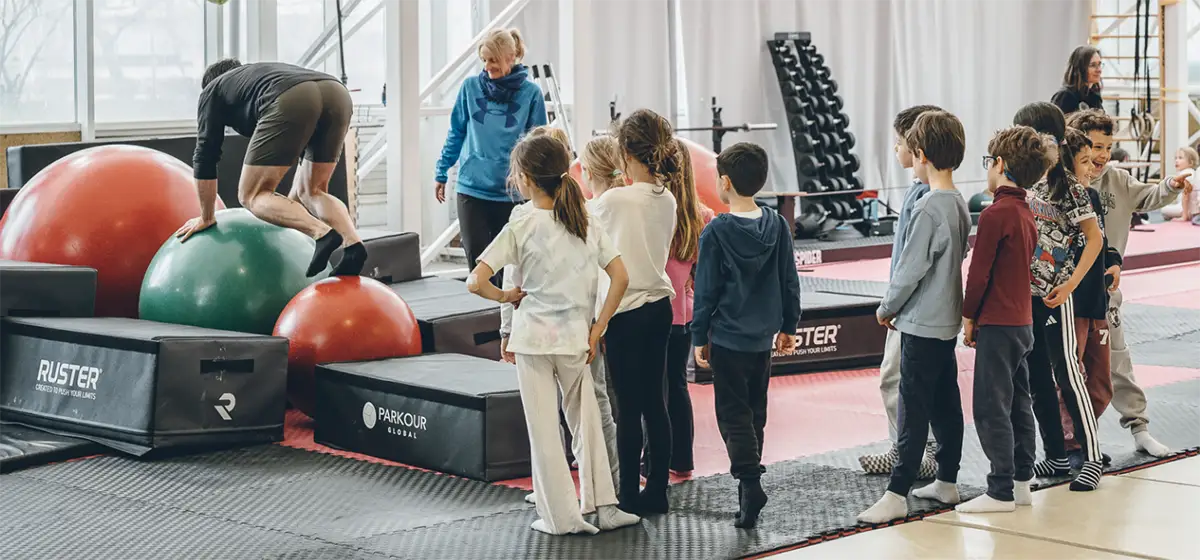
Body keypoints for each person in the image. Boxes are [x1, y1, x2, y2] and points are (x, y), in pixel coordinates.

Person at [466, 134, 640, 536]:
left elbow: (477, 282)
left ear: (525, 178)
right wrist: (599, 326)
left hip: (533, 342)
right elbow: (620, 276)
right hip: (575, 339)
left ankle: (561, 518)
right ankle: (605, 507)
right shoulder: (585, 217)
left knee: (544, 431)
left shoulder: (523, 221)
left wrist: (506, 296)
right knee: (588, 424)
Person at [858, 111, 971, 524]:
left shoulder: (928, 208)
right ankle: (947, 479)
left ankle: (897, 491)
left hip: (920, 322)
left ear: (920, 155)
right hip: (945, 322)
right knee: (945, 403)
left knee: (913, 407)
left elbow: (909, 269)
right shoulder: (959, 202)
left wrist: (886, 307)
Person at [1066, 109, 1193, 458]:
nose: (1102, 154)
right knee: (1067, 367)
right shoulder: (1064, 183)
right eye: (1094, 146)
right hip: (1067, 296)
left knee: (1117, 362)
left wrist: (1171, 185)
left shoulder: (1118, 180)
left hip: (1105, 293)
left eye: (1108, 146)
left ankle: (1139, 427)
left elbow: (1149, 198)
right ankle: (1070, 440)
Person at [692, 142, 800, 529]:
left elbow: (705, 290)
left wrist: (698, 334)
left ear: (724, 182)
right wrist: (789, 325)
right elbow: (790, 280)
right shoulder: (777, 225)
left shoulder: (717, 232)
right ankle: (746, 495)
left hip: (728, 339)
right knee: (756, 414)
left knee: (733, 415)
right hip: (761, 341)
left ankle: (750, 483)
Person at [179, 59, 367, 277]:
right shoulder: (261, 77)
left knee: (251, 195)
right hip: (337, 93)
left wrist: (206, 216)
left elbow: (205, 154)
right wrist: (287, 208)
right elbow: (301, 142)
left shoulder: (213, 90)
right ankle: (353, 247)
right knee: (312, 190)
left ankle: (322, 233)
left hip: (293, 98)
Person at [1012, 102, 1105, 491]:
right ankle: (1055, 454)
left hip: (1056, 297)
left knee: (1068, 371)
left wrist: (1069, 284)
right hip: (1026, 295)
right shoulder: (1025, 181)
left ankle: (1093, 457)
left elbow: (1095, 239)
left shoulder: (1065, 184)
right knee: (1036, 376)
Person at [591, 109, 678, 515]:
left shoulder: (614, 200)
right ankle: (657, 489)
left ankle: (626, 493)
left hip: (624, 313)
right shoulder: (668, 198)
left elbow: (586, 232)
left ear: (626, 154)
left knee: (627, 408)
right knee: (654, 404)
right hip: (659, 308)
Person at [955, 126, 1047, 514]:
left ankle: (999, 489)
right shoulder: (1026, 213)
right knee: (1019, 402)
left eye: (988, 163)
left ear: (1000, 165)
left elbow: (979, 274)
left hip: (998, 321)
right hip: (1022, 322)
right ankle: (1022, 480)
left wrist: (968, 316)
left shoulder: (995, 213)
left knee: (991, 406)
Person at [858, 104, 943, 480]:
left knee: (896, 377)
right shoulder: (916, 193)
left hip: (913, 308)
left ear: (917, 147)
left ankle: (914, 449)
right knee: (902, 379)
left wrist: (892, 303)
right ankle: (909, 446)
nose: (896, 150)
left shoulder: (931, 199)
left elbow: (916, 261)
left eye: (899, 143)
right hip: (906, 303)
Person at [434, 28, 547, 281]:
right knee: (478, 266)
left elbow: (538, 146)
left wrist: (542, 188)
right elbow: (456, 132)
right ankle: (486, 317)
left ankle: (505, 319)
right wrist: (442, 170)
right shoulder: (470, 88)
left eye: (493, 60)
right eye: (484, 60)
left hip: (513, 193)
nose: (487, 67)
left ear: (511, 57)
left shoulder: (531, 94)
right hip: (472, 190)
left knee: (510, 266)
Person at [1057, 128, 1122, 471]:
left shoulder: (1091, 198)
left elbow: (1101, 242)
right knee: (1072, 376)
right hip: (1074, 304)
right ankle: (1071, 442)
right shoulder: (1060, 202)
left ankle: (1085, 434)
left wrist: (1113, 260)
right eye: (1084, 159)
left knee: (1099, 381)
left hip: (1096, 301)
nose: (1092, 165)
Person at [659, 138, 714, 477]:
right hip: (682, 314)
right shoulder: (700, 215)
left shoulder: (656, 211)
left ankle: (656, 458)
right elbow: (701, 274)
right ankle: (682, 459)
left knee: (655, 390)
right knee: (677, 385)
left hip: (652, 311)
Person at [1051, 46, 1104, 116]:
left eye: (1099, 64)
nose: (1099, 70)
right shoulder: (1064, 96)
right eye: (1093, 65)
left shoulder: (1094, 96)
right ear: (1080, 69)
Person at [1161, 147, 1199, 221]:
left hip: (1186, 209)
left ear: (1191, 162)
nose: (1176, 161)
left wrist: (1184, 216)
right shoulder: (1192, 172)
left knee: (1163, 209)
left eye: (1180, 158)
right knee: (1167, 212)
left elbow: (1186, 195)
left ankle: (1185, 215)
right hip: (1194, 209)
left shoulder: (1185, 174)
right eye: (1176, 158)